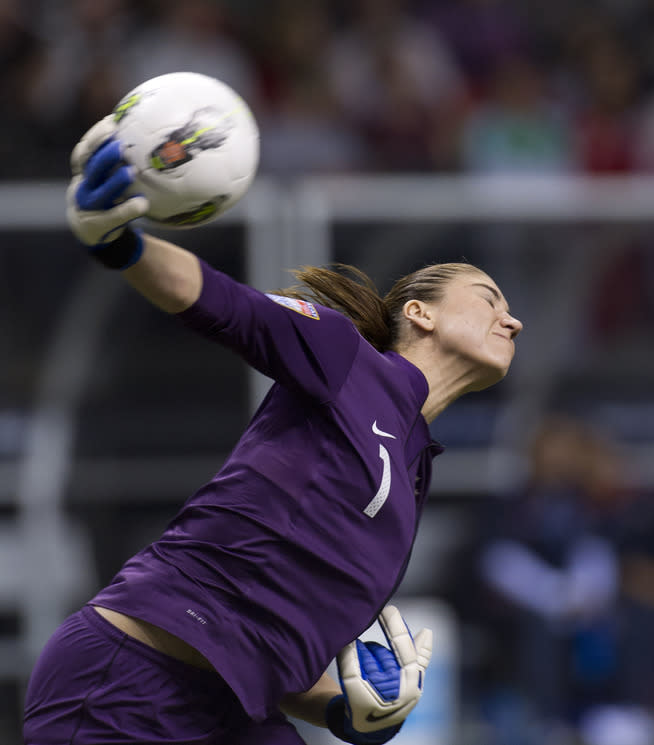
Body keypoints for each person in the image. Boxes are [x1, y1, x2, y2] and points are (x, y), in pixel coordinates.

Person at [23, 116, 522, 745]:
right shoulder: (345, 359)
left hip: (234, 712)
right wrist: (124, 244)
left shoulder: (415, 472)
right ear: (419, 314)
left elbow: (274, 652)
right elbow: (225, 306)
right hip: (130, 682)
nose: (514, 321)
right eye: (489, 299)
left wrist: (350, 711)